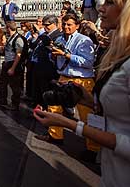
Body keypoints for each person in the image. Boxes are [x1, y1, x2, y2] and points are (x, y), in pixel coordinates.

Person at [34, 0, 130, 186]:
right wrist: (88, 99)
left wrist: (71, 124)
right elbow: (126, 114)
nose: (100, 8)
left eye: (110, 2)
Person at [35, 13, 98, 159]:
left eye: (69, 24)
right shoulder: (59, 39)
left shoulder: (84, 40)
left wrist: (67, 55)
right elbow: (57, 58)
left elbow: (88, 62)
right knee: (54, 108)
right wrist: (54, 55)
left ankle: (93, 148)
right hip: (63, 77)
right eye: (64, 24)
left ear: (76, 25)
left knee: (86, 115)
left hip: (81, 80)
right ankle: (55, 135)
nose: (66, 27)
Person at [27, 15, 62, 107]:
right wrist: (35, 38)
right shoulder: (43, 35)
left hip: (48, 67)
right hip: (36, 65)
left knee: (45, 91)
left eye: (47, 25)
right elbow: (33, 44)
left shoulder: (58, 35)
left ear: (54, 24)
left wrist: (49, 45)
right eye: (44, 25)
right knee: (37, 90)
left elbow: (57, 50)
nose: (45, 27)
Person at [0, 21, 27, 111]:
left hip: (13, 64)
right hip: (7, 62)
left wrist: (13, 68)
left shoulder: (18, 39)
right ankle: (3, 101)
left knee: (14, 85)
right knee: (2, 82)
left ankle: (15, 104)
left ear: (8, 28)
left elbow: (18, 55)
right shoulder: (10, 38)